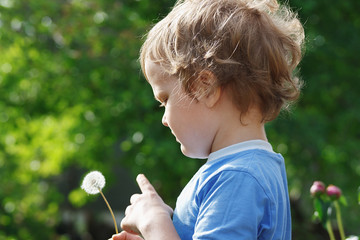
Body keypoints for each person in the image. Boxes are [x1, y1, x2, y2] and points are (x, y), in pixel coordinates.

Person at [111, 0, 304, 239]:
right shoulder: (247, 169)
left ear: (206, 88)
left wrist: (154, 223)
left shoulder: (237, 177)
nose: (163, 119)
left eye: (165, 99)